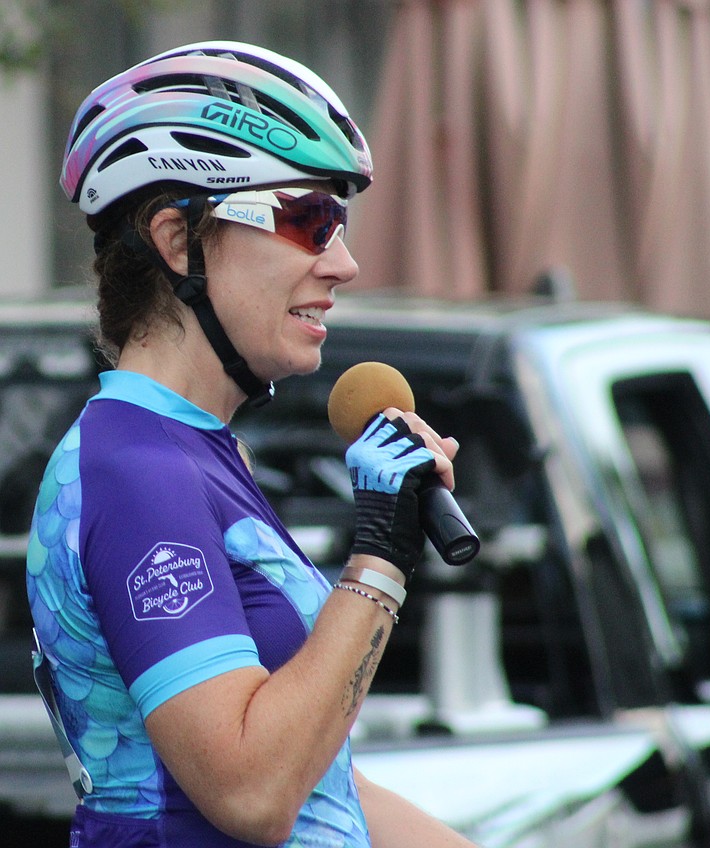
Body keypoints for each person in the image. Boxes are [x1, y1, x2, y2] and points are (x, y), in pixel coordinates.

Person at [27, 41, 478, 848]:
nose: (344, 262)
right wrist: (376, 560)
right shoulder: (139, 473)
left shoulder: (194, 452)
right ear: (177, 239)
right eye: (310, 219)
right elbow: (252, 792)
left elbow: (325, 790)